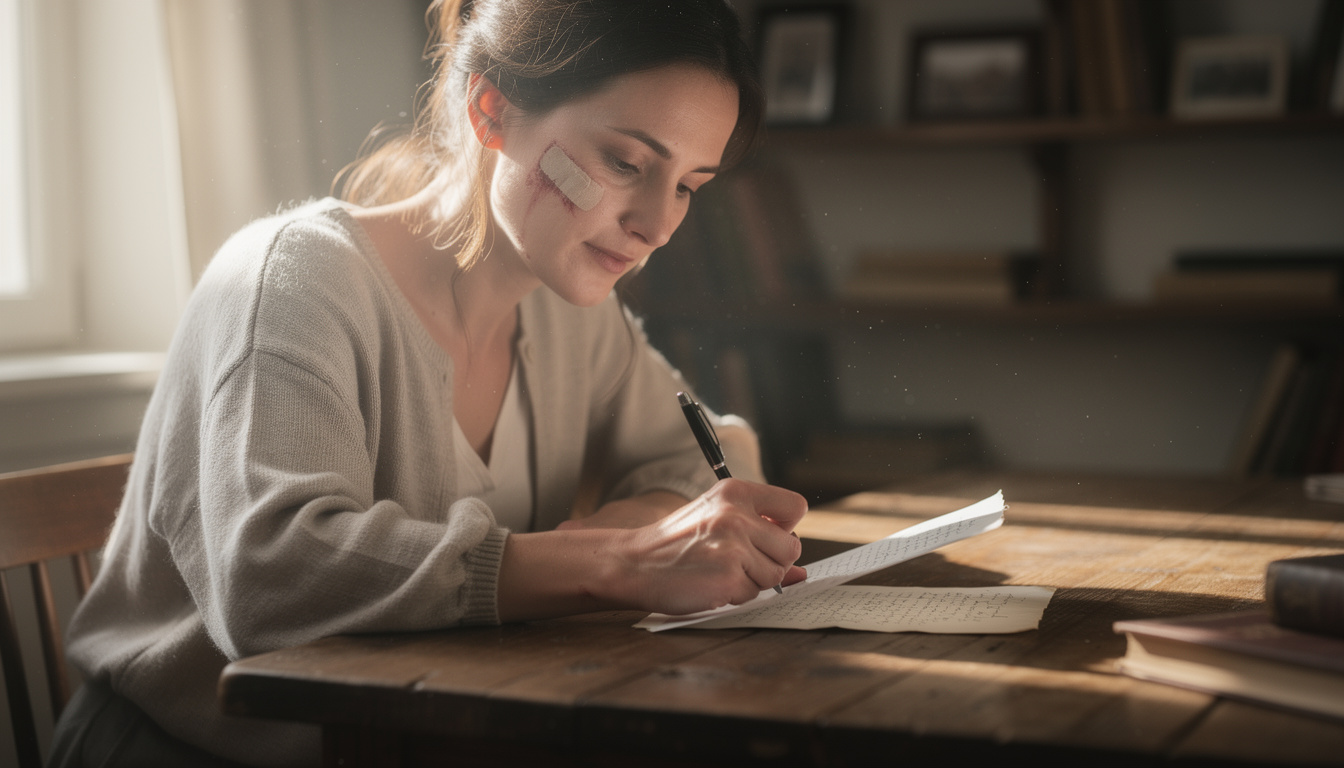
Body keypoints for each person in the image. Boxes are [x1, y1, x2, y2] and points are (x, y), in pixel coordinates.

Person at [49, 1, 808, 765]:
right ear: (491, 111)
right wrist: (618, 563)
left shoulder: (570, 310)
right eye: (625, 163)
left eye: (688, 186)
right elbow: (268, 578)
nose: (658, 225)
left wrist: (633, 535)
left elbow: (713, 454)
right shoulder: (291, 281)